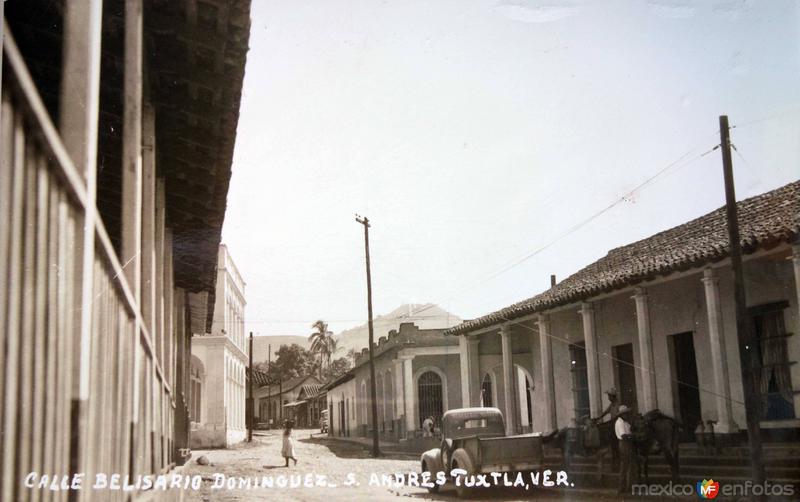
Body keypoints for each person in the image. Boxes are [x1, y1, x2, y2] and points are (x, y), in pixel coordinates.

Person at [615, 405, 637, 496]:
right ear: (622, 414)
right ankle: (622, 487)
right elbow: (624, 436)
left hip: (628, 444)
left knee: (629, 465)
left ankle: (628, 486)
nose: (627, 415)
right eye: (626, 413)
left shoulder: (626, 423)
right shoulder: (619, 423)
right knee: (625, 466)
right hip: (624, 444)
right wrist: (634, 435)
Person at [597, 388, 621, 469]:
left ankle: (617, 463)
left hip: (618, 426)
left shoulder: (618, 404)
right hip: (613, 425)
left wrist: (609, 422)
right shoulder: (612, 404)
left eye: (609, 396)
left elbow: (618, 416)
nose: (608, 398)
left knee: (615, 445)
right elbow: (606, 412)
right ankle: (615, 463)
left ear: (613, 396)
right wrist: (598, 418)